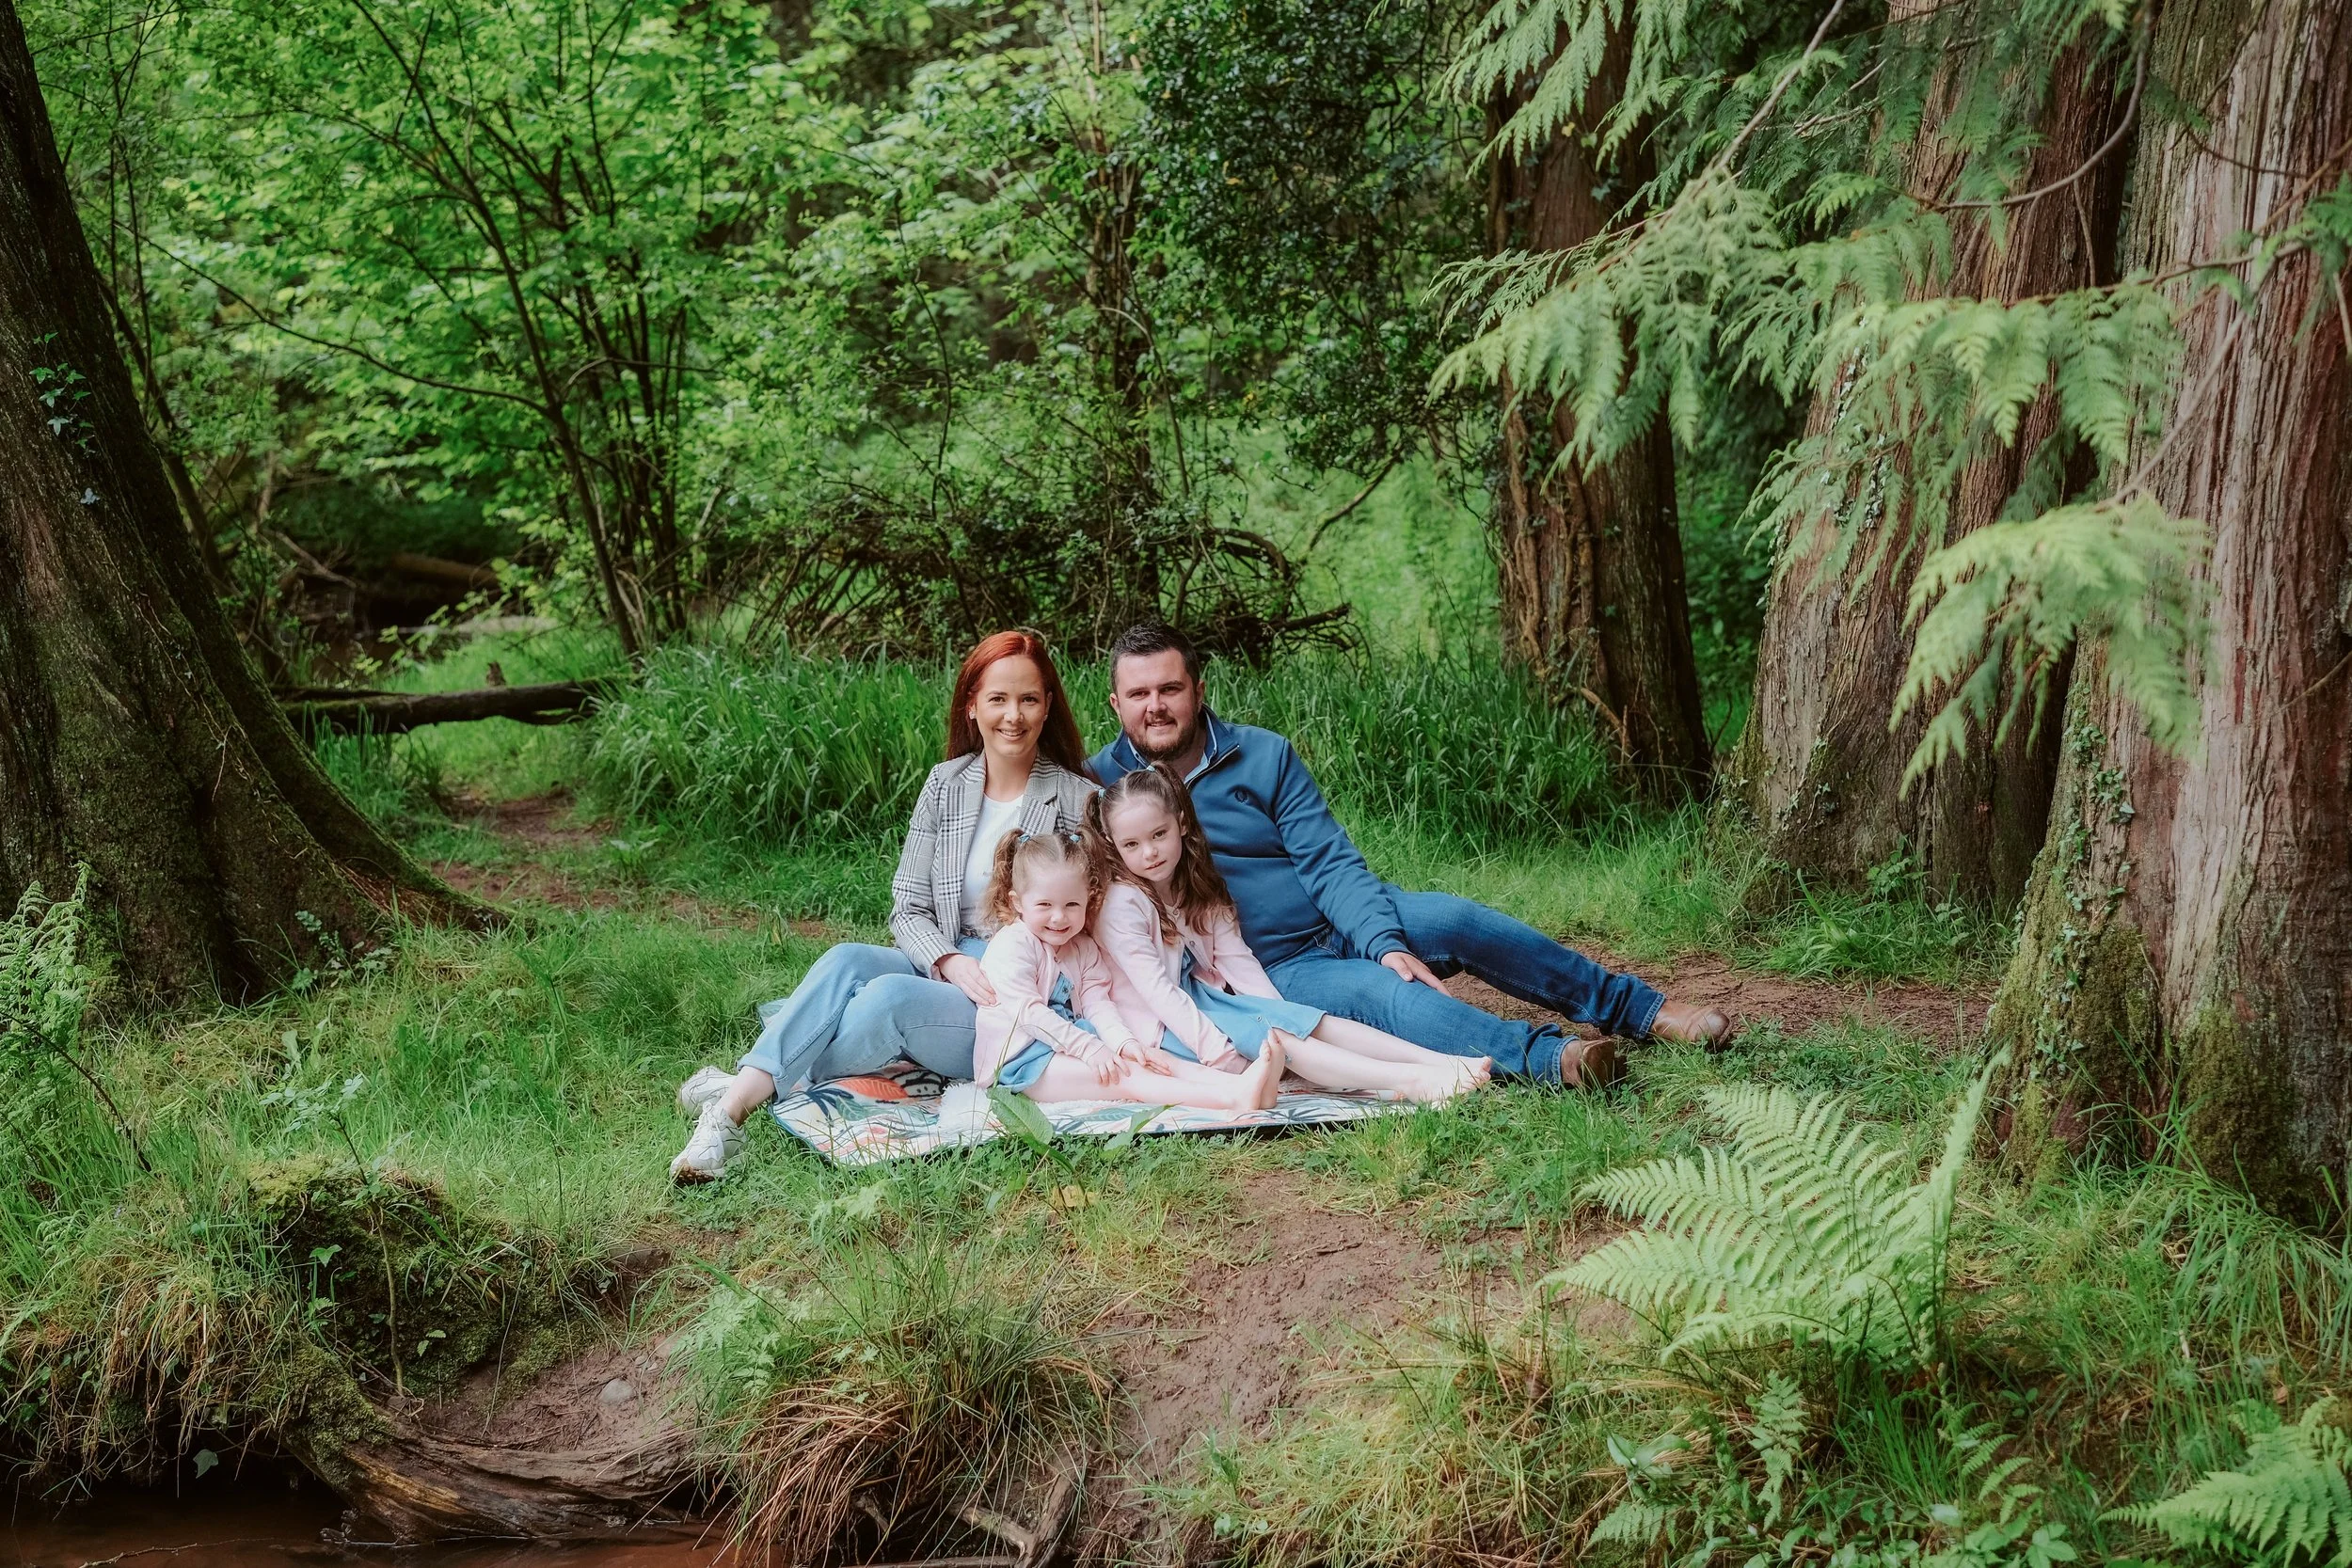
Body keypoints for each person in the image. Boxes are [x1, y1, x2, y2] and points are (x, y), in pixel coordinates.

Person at [1087, 623, 1736, 1087]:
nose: (1156, 706)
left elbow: (1329, 859)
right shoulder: (1101, 789)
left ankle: (1643, 1010)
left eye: (1169, 688)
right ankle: (1553, 1058)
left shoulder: (1262, 753)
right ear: (1116, 704)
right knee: (1389, 993)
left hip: (1340, 913)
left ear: (1197, 689)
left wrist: (1380, 935)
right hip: (1270, 963)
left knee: (1458, 920)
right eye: (1139, 695)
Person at [669, 629, 1100, 1181]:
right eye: (998, 698)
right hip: (947, 961)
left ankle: (739, 1090)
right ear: (972, 706)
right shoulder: (945, 784)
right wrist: (946, 961)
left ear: (1047, 708)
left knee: (887, 999)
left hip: (1012, 992)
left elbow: (1085, 918)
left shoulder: (1074, 798)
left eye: (1029, 699)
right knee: (848, 959)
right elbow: (906, 905)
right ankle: (730, 1115)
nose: (1013, 715)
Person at [1087, 765, 1486, 1103]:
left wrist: (1281, 1011)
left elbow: (1235, 957)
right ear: (1113, 845)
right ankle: (1411, 1082)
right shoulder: (1123, 903)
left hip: (1199, 1001)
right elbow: (1157, 991)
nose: (1150, 853)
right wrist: (1216, 1049)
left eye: (1159, 835)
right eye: (1132, 844)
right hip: (1157, 1027)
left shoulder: (1192, 883)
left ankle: (1435, 1062)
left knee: (1308, 1023)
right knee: (1277, 1036)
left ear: (1181, 823)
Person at [975, 827, 1287, 1112]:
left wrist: (1126, 1044)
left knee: (1154, 1059)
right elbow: (1029, 1015)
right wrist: (1092, 1050)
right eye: (1045, 905)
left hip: (1072, 1045)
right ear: (1017, 902)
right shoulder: (1012, 946)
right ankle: (1232, 1099)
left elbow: (1099, 1003)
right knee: (1124, 1076)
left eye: (1072, 905)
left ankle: (1245, 1085)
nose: (1059, 917)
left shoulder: (1082, 948)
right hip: (1021, 1060)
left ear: (1088, 900)